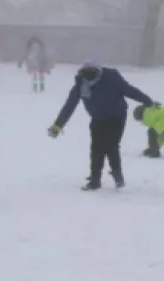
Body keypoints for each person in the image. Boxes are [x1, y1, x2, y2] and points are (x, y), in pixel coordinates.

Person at [48, 61, 153, 190]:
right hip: (97, 118)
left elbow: (129, 91)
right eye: (86, 75)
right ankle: (95, 180)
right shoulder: (81, 83)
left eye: (92, 75)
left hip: (117, 116)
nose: (89, 78)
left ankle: (117, 175)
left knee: (111, 145)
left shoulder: (112, 77)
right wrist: (58, 125)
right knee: (96, 148)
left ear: (99, 72)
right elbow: (70, 105)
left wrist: (148, 101)